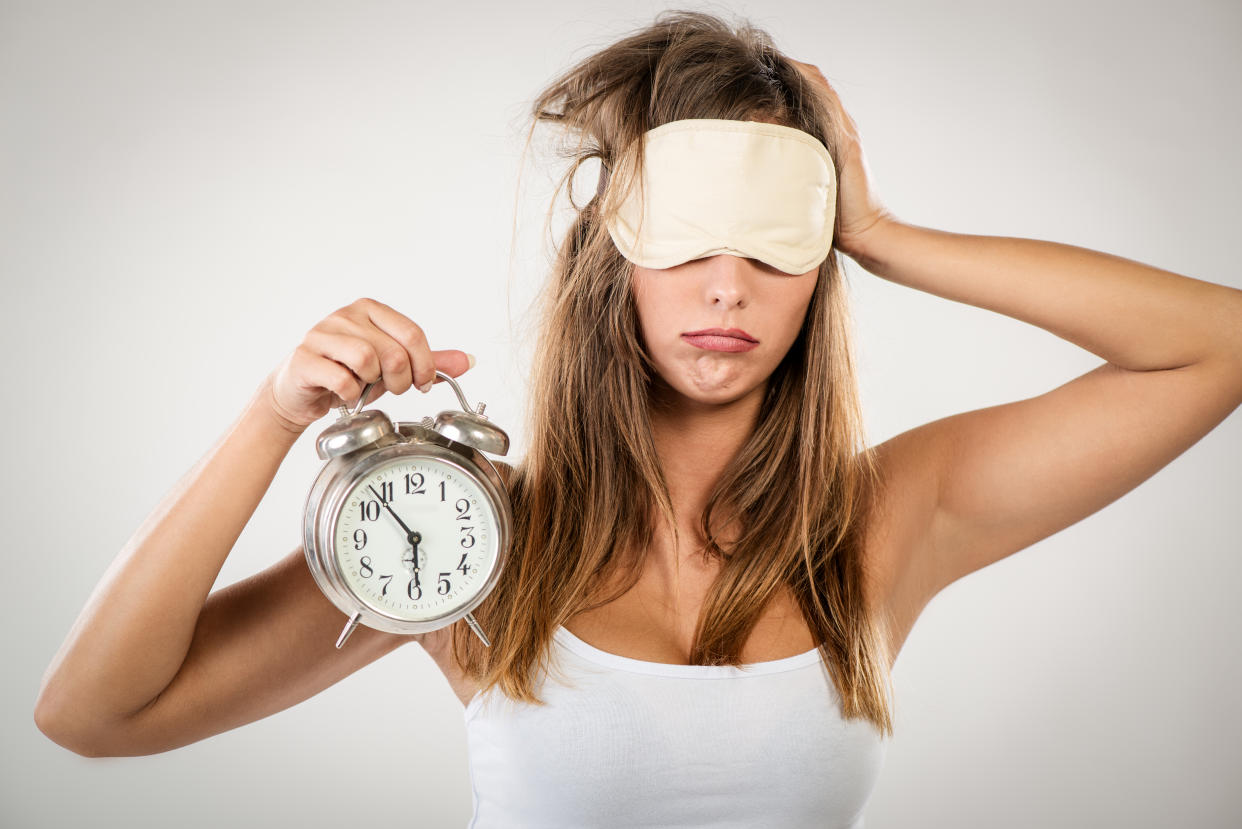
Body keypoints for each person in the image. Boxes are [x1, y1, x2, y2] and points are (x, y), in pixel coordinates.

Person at [33, 10, 1242, 828]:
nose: (729, 286)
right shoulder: (464, 541)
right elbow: (94, 714)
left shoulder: (887, 519)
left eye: (778, 238)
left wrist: (883, 235)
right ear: (613, 251)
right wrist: (269, 419)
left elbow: (1217, 345)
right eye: (688, 235)